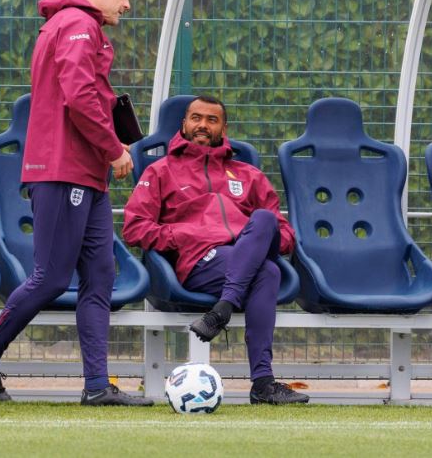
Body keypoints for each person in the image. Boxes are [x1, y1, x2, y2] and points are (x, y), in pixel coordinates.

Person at [0, 0, 151, 406]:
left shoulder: (73, 24)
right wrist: (113, 147)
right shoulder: (77, 24)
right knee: (50, 278)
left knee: (100, 276)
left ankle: (96, 386)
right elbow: (80, 96)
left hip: (86, 174)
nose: (128, 3)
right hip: (65, 169)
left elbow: (86, 93)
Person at [123, 95, 310, 405]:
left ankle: (222, 313)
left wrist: (255, 242)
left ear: (224, 128)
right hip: (199, 263)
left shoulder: (249, 175)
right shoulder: (161, 171)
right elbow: (134, 228)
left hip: (242, 262)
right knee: (267, 271)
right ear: (183, 124)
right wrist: (183, 236)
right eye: (196, 118)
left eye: (212, 120)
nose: (202, 125)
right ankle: (262, 384)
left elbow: (286, 233)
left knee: (265, 230)